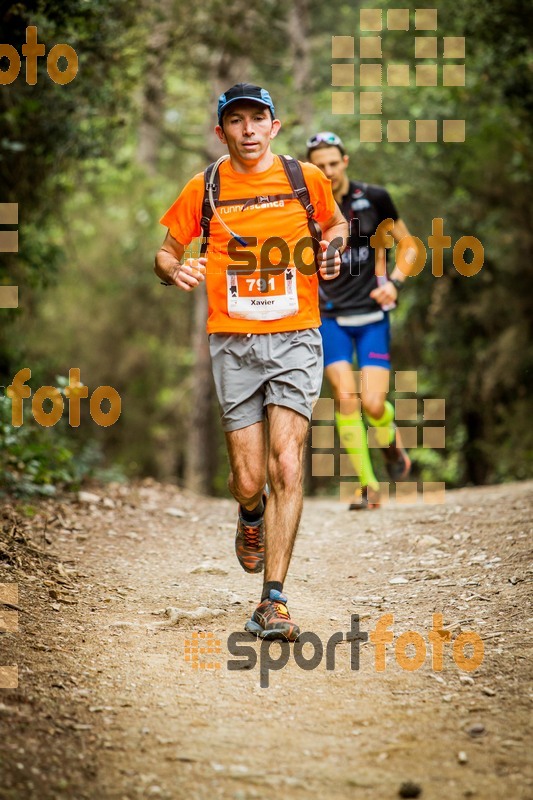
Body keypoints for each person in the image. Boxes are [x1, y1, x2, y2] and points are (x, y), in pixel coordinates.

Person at [155, 85, 347, 641]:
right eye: (235, 121)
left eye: (256, 118)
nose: (247, 129)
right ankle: (250, 513)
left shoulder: (304, 179)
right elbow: (165, 251)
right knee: (248, 478)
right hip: (233, 343)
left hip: (296, 337)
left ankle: (274, 599)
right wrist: (173, 270)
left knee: (287, 464)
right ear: (221, 132)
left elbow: (335, 224)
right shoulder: (206, 186)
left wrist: (333, 247)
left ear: (274, 125)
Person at [306, 131, 419, 510]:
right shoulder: (303, 208)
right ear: (310, 168)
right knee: (346, 398)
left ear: (345, 162)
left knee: (373, 404)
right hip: (329, 317)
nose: (328, 171)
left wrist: (395, 284)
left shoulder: (375, 198)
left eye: (334, 163)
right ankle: (368, 487)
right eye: (319, 165)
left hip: (372, 316)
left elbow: (410, 246)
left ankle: (391, 444)